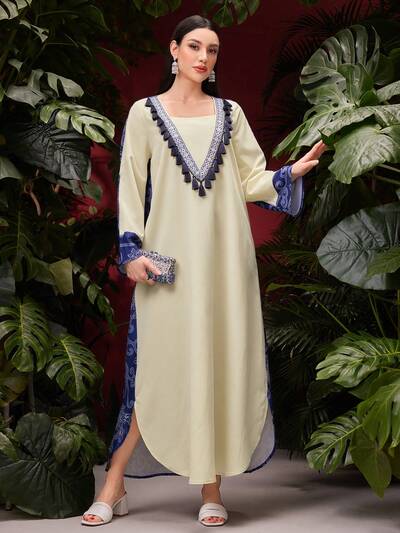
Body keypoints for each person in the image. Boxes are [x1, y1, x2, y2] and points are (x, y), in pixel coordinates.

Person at [81, 14, 326, 528]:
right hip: (167, 264)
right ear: (174, 50)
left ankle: (211, 488)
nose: (203, 57)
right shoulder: (145, 114)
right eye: (194, 46)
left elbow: (251, 179)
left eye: (212, 50)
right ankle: (114, 482)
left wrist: (289, 174)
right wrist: (131, 250)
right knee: (158, 370)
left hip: (224, 263)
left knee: (214, 363)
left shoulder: (229, 114)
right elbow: (130, 185)